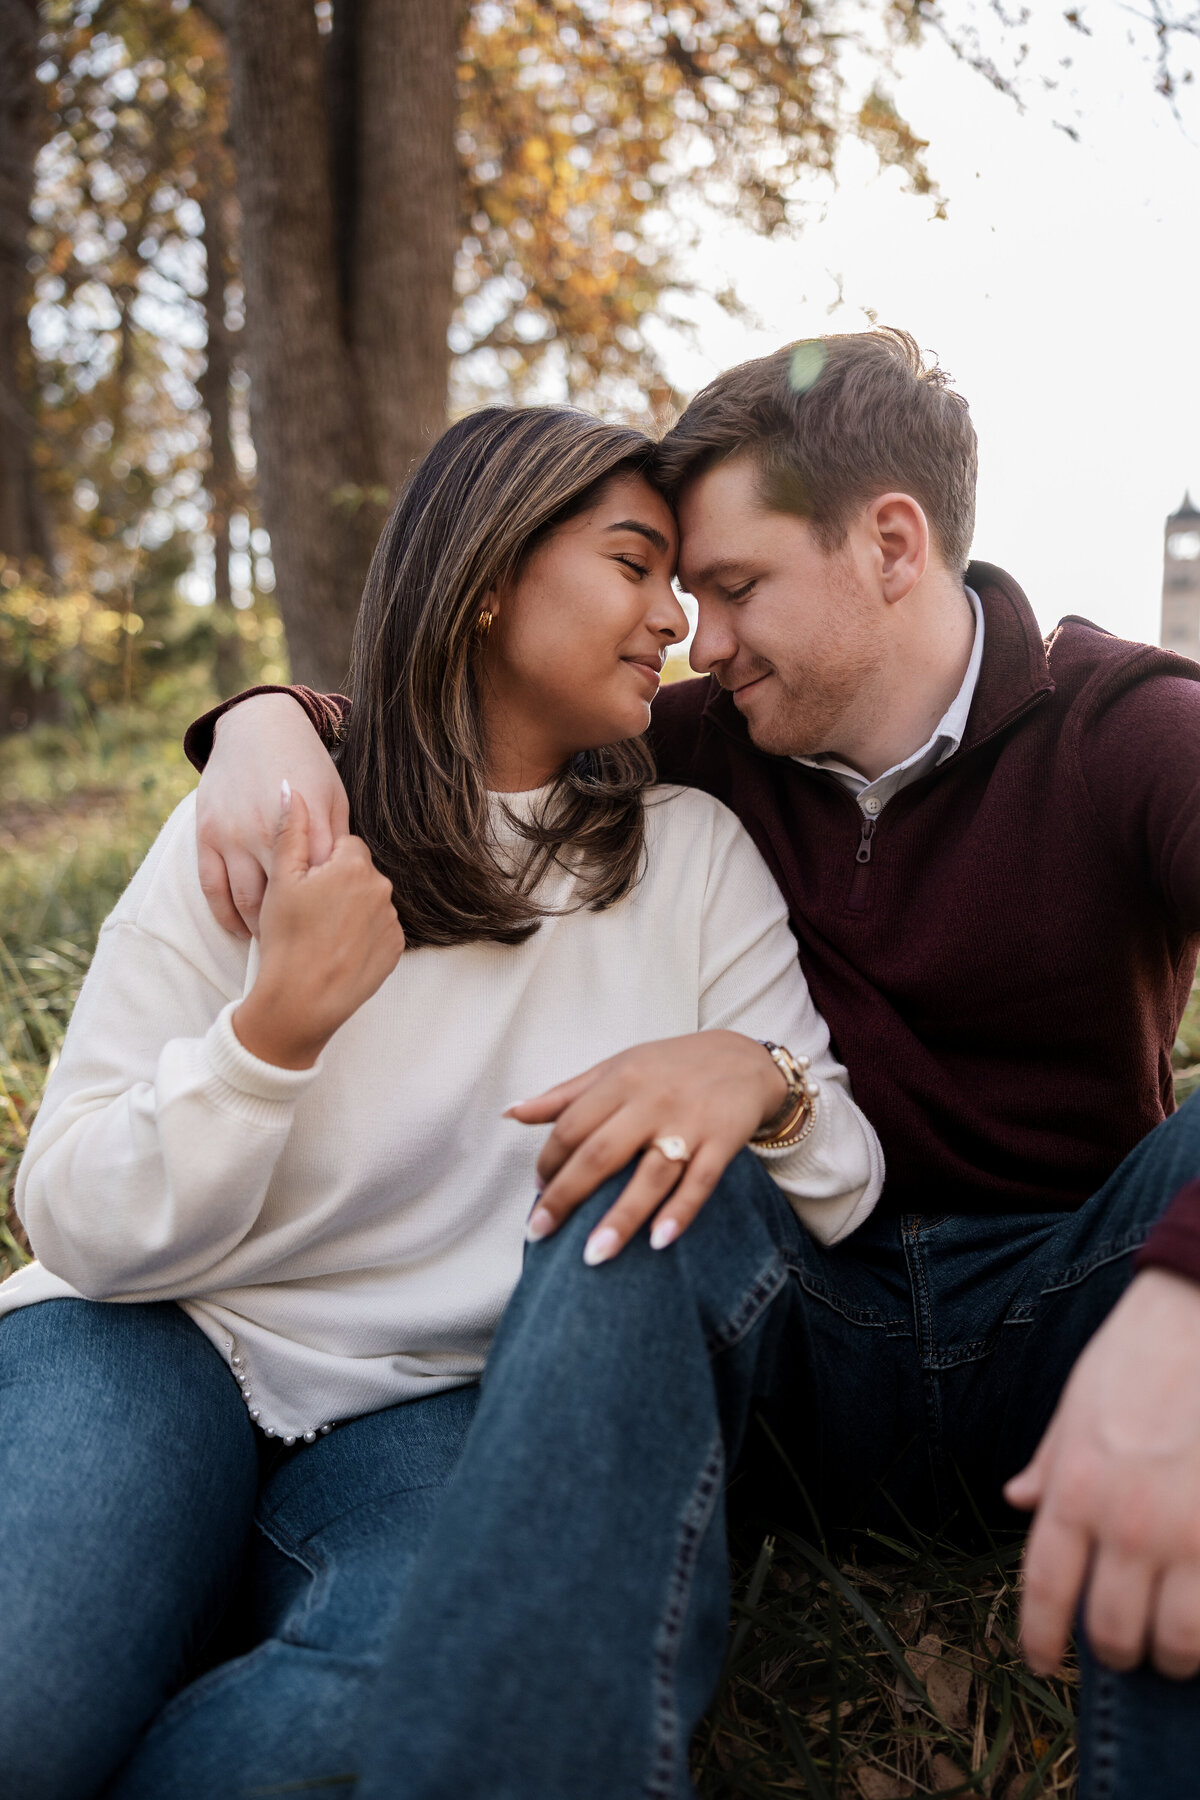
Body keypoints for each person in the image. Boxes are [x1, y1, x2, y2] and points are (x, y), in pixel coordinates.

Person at [191, 328, 1200, 1800]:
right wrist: (268, 723)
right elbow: (474, 730)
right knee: (633, 1174)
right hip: (794, 1326)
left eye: (731, 587)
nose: (694, 637)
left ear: (891, 544)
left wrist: (1178, 1308)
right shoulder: (709, 742)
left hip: (1073, 1309)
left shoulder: (1131, 731)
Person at [0, 405, 883, 1800]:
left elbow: (839, 1172)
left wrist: (763, 1082)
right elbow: (69, 1209)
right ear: (485, 579)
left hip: (429, 1412)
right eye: (635, 563)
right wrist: (270, 1038)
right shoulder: (275, 821)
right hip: (142, 1342)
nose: (675, 617)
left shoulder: (688, 855)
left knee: (373, 1722)